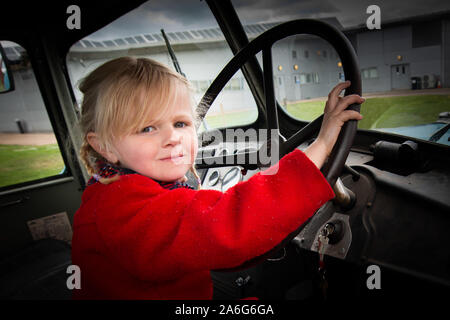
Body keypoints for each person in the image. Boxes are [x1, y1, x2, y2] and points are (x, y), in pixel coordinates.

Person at [71, 56, 364, 299]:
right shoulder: (124, 207)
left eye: (181, 123)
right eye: (147, 129)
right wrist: (321, 146)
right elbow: (229, 224)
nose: (173, 137)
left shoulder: (114, 189)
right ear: (105, 147)